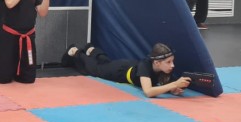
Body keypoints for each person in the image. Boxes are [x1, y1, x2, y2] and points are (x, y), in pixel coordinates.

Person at [61, 43, 191, 98]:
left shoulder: (164, 70)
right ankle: (77, 52)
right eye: (168, 62)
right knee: (96, 70)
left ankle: (93, 50)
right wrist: (174, 84)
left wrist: (172, 90)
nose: (172, 65)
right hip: (120, 71)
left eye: (172, 61)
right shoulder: (145, 66)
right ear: (157, 62)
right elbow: (148, 92)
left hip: (129, 65)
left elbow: (161, 84)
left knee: (106, 63)